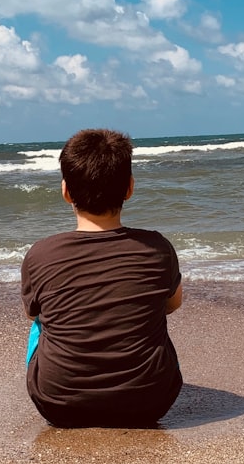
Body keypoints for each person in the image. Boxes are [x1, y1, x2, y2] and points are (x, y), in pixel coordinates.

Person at [21, 128, 183, 427]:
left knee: (41, 320)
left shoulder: (40, 254)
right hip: (151, 402)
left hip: (58, 404)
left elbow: (34, 312)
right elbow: (173, 304)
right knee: (154, 308)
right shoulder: (158, 248)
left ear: (66, 190)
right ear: (130, 188)